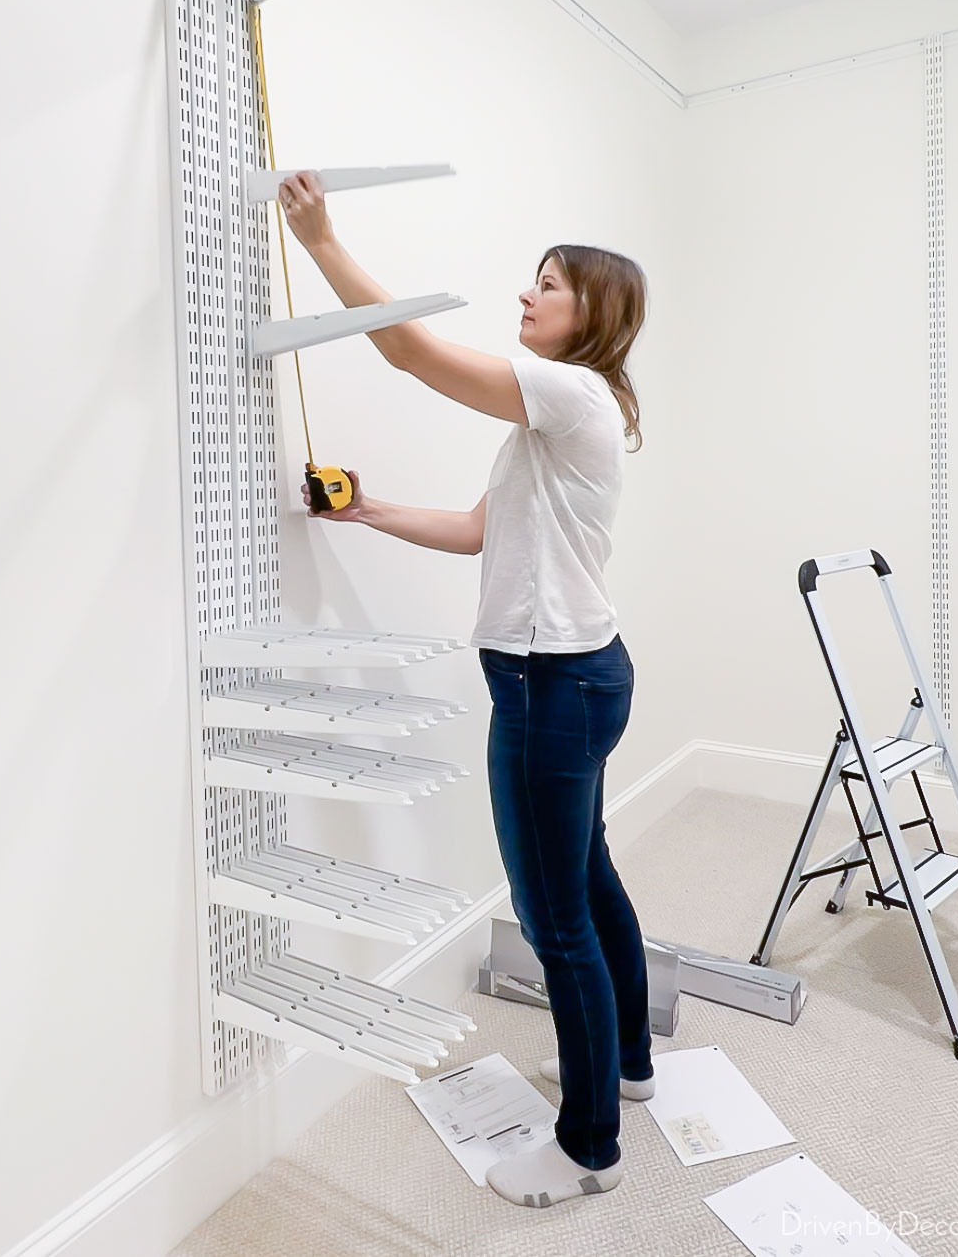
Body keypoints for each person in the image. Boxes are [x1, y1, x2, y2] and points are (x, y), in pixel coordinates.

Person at [279, 169, 652, 1210]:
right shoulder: (554, 423)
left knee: (556, 923)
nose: (525, 299)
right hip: (586, 676)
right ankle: (629, 1067)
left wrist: (320, 238)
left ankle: (587, 1150)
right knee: (593, 883)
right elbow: (480, 533)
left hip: (549, 691)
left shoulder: (570, 392)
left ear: (596, 314)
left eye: (546, 287)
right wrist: (368, 512)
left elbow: (404, 348)